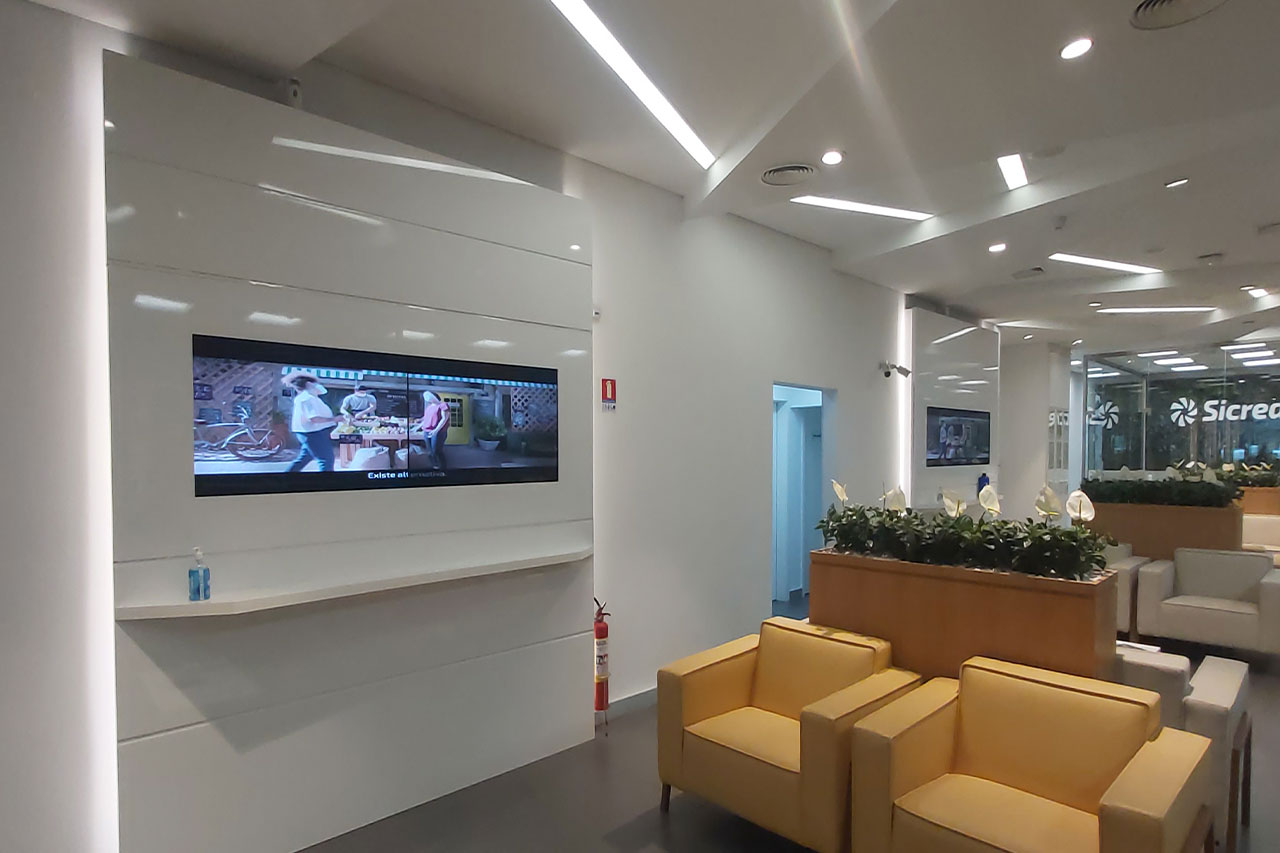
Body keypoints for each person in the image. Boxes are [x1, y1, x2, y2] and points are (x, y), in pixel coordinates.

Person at [284, 372, 340, 472]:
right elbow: (314, 418)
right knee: (326, 460)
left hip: (311, 433)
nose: (319, 385)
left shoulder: (308, 397)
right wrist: (334, 419)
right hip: (313, 433)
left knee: (305, 458)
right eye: (316, 383)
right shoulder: (307, 398)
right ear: (309, 384)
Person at [421, 391, 451, 470]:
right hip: (427, 432)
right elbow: (425, 419)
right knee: (430, 452)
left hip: (438, 432)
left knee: (437, 451)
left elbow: (445, 419)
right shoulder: (429, 407)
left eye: (428, 396)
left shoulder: (443, 405)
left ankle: (443, 468)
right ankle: (435, 466)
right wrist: (417, 427)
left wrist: (435, 431)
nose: (426, 398)